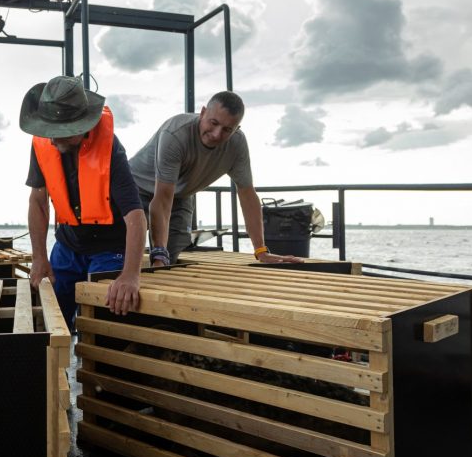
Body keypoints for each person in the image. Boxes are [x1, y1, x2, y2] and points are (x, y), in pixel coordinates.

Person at [21, 75, 146, 332]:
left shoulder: (111, 148)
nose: (53, 141)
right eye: (50, 133)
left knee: (104, 317)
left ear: (81, 125)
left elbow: (135, 214)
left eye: (61, 134)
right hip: (68, 245)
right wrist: (39, 257)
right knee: (50, 320)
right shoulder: (45, 142)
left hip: (109, 248)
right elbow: (38, 201)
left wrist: (131, 275)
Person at [129, 90, 303, 266]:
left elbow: (247, 195)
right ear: (203, 112)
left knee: (170, 258)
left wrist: (261, 251)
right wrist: (158, 254)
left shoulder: (236, 145)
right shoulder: (176, 134)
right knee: (120, 250)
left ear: (236, 129)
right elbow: (162, 199)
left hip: (180, 196)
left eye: (227, 129)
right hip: (135, 188)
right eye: (213, 123)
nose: (216, 134)